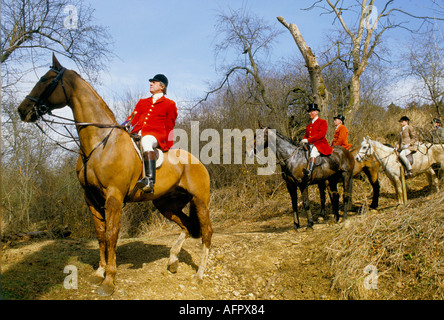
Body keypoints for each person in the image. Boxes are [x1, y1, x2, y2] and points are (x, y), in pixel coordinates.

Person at [124, 74, 178, 193]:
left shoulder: (170, 104)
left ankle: (149, 180)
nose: (151, 83)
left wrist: (169, 145)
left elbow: (170, 127)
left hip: (156, 137)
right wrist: (124, 125)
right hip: (136, 133)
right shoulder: (143, 102)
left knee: (146, 140)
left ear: (162, 86)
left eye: (154, 82)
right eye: (151, 82)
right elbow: (133, 117)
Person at [300, 103, 333, 179]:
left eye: (312, 111)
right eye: (309, 112)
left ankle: (310, 171)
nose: (310, 113)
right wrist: (303, 140)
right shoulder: (308, 126)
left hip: (320, 144)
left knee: (313, 152)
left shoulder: (322, 122)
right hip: (310, 144)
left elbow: (321, 134)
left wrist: (308, 140)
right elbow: (306, 136)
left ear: (317, 112)